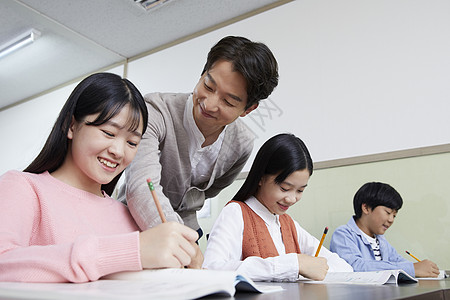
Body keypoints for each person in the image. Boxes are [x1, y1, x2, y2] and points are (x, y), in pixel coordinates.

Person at [0, 73, 198, 283]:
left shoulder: (128, 214)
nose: (119, 151)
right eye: (109, 133)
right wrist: (130, 250)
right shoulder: (23, 188)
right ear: (71, 125)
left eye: (132, 143)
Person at [118, 36, 279, 238]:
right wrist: (178, 240)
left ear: (249, 109)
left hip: (188, 230)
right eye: (208, 86)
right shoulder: (154, 111)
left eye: (228, 102)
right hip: (131, 224)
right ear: (202, 74)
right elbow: (141, 187)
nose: (209, 105)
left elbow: (209, 191)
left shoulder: (241, 144)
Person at [202, 133, 353, 282]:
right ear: (261, 178)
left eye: (300, 190)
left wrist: (308, 269)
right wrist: (293, 265)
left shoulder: (288, 223)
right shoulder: (236, 212)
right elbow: (212, 268)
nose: (292, 199)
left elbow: (343, 267)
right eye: (284, 188)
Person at [330, 182, 440, 278]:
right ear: (366, 208)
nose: (391, 220)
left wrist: (422, 269)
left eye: (394, 216)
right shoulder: (343, 234)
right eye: (388, 212)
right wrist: (412, 268)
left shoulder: (380, 240)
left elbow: (397, 260)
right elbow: (355, 267)